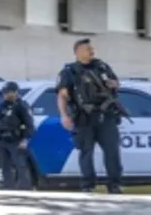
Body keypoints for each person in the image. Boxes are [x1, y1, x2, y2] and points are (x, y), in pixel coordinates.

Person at [56, 38, 123, 194]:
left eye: (92, 48)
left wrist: (113, 84)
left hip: (106, 115)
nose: (91, 51)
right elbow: (62, 95)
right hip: (84, 117)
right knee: (86, 152)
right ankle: (88, 184)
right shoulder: (69, 71)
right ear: (78, 52)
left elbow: (116, 83)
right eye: (87, 49)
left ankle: (114, 184)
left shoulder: (102, 66)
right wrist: (64, 115)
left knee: (112, 151)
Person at [0, 81, 35, 190]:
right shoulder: (1, 107)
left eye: (8, 92)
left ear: (15, 92)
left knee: (20, 165)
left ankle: (25, 188)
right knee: (5, 166)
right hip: (2, 140)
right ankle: (8, 188)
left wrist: (25, 140)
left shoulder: (21, 106)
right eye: (4, 93)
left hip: (16, 140)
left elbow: (30, 125)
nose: (5, 95)